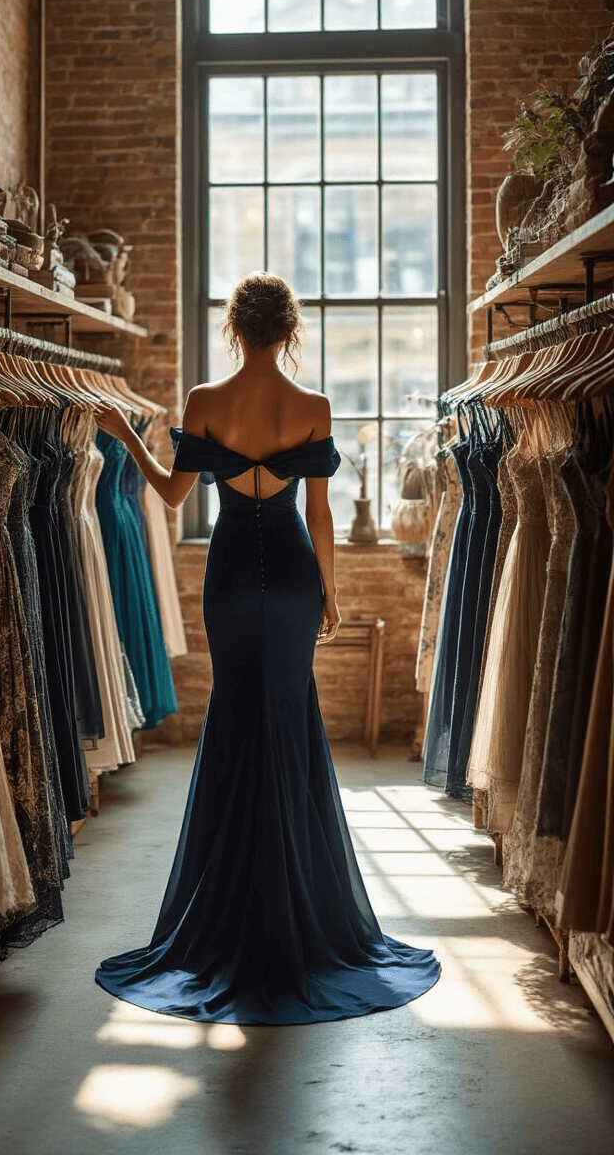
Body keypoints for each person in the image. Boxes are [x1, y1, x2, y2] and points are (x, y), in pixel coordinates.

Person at [94, 272, 440, 1024]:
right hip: (291, 575)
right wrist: (331, 591)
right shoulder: (312, 406)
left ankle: (230, 907)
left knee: (235, 716)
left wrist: (126, 436)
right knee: (287, 720)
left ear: (233, 329)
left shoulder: (203, 400)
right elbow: (320, 513)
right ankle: (300, 907)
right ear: (289, 331)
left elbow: (174, 494)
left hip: (227, 576)